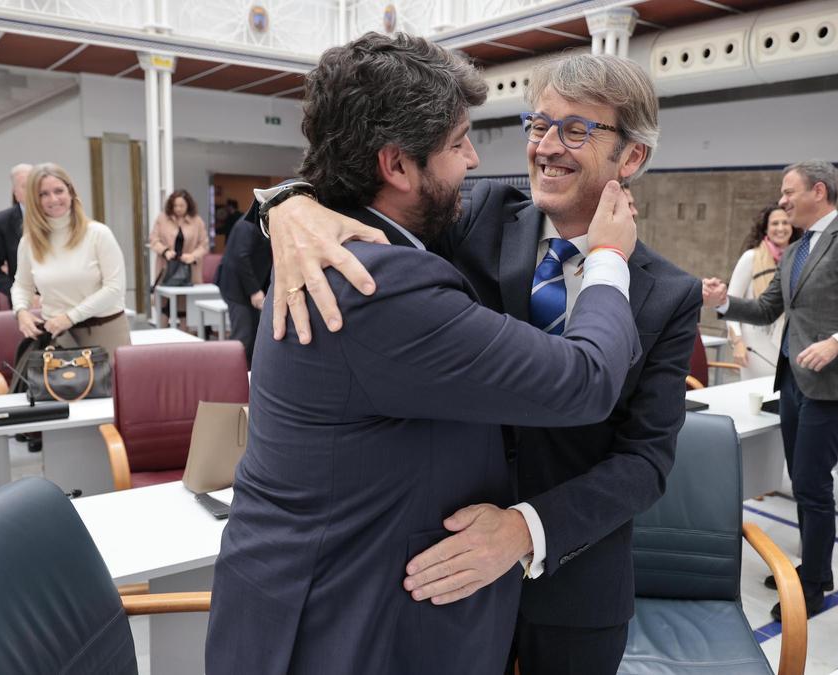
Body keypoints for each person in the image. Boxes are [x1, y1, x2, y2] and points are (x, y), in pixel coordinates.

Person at [206, 33, 642, 675]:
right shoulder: (376, 286)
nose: (473, 158)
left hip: (411, 585)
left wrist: (288, 199)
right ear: (397, 166)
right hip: (349, 615)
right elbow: (585, 380)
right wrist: (608, 260)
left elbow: (645, 455)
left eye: (575, 130)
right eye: (458, 141)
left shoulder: (338, 241)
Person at [702, 159, 838, 621]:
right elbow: (768, 308)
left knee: (812, 487)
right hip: (792, 382)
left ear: (819, 190)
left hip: (831, 389)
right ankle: (814, 567)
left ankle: (812, 583)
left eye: (789, 192)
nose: (783, 201)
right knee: (801, 480)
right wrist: (724, 303)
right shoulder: (796, 250)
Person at [11, 163, 129, 358]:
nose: (53, 199)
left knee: (112, 389)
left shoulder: (98, 234)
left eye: (59, 191)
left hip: (104, 332)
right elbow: (22, 285)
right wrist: (21, 312)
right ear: (35, 200)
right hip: (59, 338)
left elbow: (114, 288)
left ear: (71, 193)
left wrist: (70, 317)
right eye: (44, 194)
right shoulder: (29, 242)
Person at [725, 203, 802, 379]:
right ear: (766, 228)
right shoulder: (751, 258)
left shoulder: (801, 258)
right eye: (775, 224)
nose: (781, 228)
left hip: (791, 344)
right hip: (755, 346)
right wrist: (737, 343)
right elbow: (731, 305)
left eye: (785, 222)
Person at [216, 213, 271, 362]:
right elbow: (241, 258)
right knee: (243, 336)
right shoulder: (247, 225)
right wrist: (254, 291)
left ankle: (246, 377)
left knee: (253, 336)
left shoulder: (263, 223)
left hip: (251, 287)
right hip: (236, 287)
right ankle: (228, 375)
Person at [0, 163, 32, 302]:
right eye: (26, 186)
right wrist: (18, 293)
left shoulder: (57, 216)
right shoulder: (1, 222)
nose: (33, 190)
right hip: (25, 305)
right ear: (16, 193)